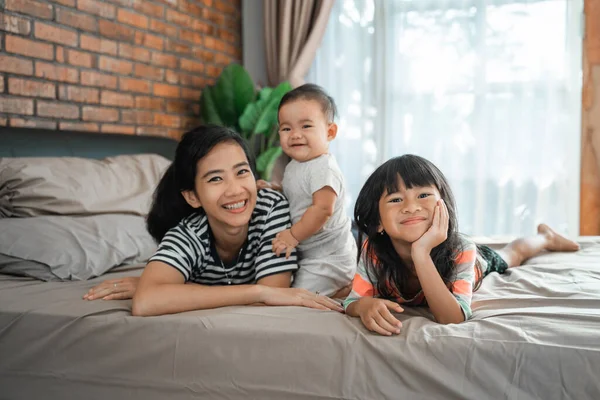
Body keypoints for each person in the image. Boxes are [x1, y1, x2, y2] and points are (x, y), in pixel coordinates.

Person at [83, 125, 342, 315]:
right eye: (215, 178)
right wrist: (258, 291)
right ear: (193, 196)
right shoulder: (189, 233)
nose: (235, 190)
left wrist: (182, 289)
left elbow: (275, 295)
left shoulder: (270, 209)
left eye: (242, 172)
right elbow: (146, 301)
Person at [345, 154, 580, 335]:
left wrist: (421, 253)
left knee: (513, 253)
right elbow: (352, 301)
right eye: (396, 199)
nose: (411, 207)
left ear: (443, 206)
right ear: (377, 223)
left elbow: (453, 319)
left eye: (423, 195)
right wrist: (363, 306)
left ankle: (546, 237)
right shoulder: (373, 251)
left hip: (475, 263)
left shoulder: (461, 248)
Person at [267, 84, 357, 298]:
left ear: (330, 132)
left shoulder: (322, 167)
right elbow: (299, 193)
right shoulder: (296, 164)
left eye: (306, 126)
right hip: (311, 253)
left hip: (328, 258)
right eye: (286, 129)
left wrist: (292, 236)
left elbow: (322, 209)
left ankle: (342, 295)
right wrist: (275, 188)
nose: (295, 135)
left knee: (299, 298)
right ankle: (340, 293)